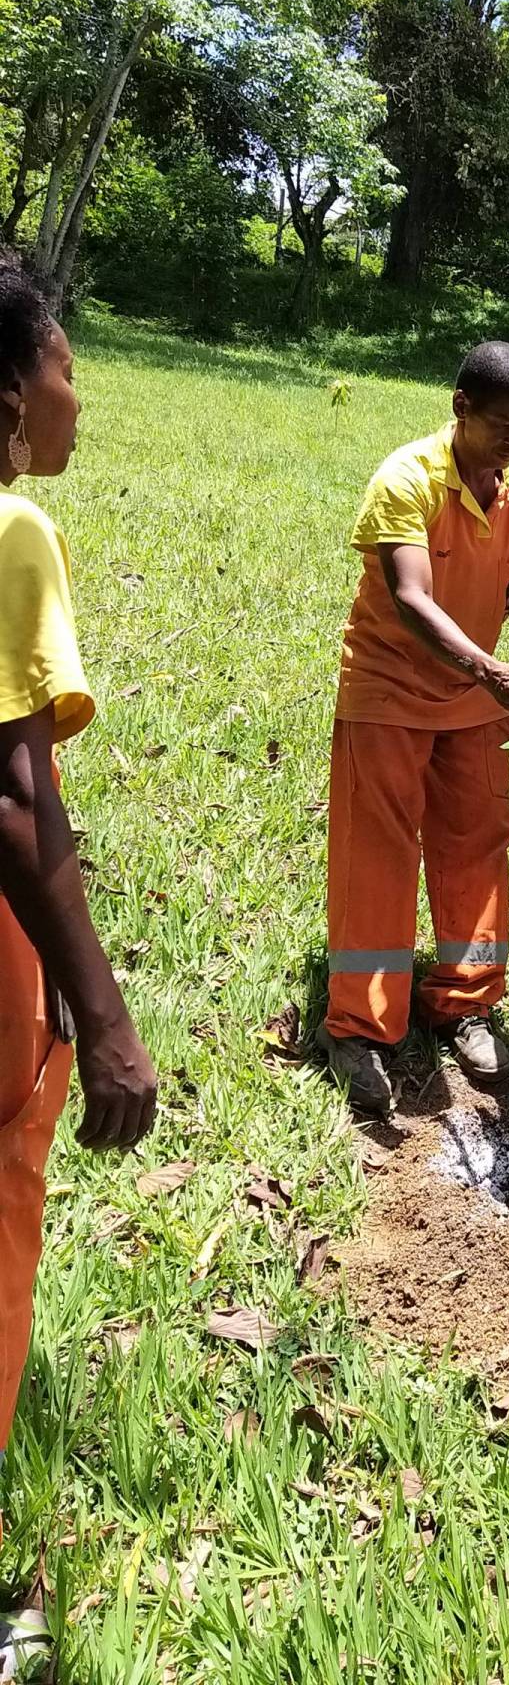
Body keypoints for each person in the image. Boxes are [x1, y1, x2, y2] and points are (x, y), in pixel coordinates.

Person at [320, 342, 509, 1116]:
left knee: (478, 843)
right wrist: (490, 669)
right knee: (378, 852)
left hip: (474, 700)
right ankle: (361, 1026)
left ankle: (464, 1002)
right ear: (461, 406)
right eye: (501, 425)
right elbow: (411, 598)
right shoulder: (406, 479)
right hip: (389, 687)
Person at [0, 249, 158, 1473]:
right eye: (67, 366)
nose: (79, 397)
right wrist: (102, 1020)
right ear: (11, 395)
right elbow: (14, 795)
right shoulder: (13, 530)